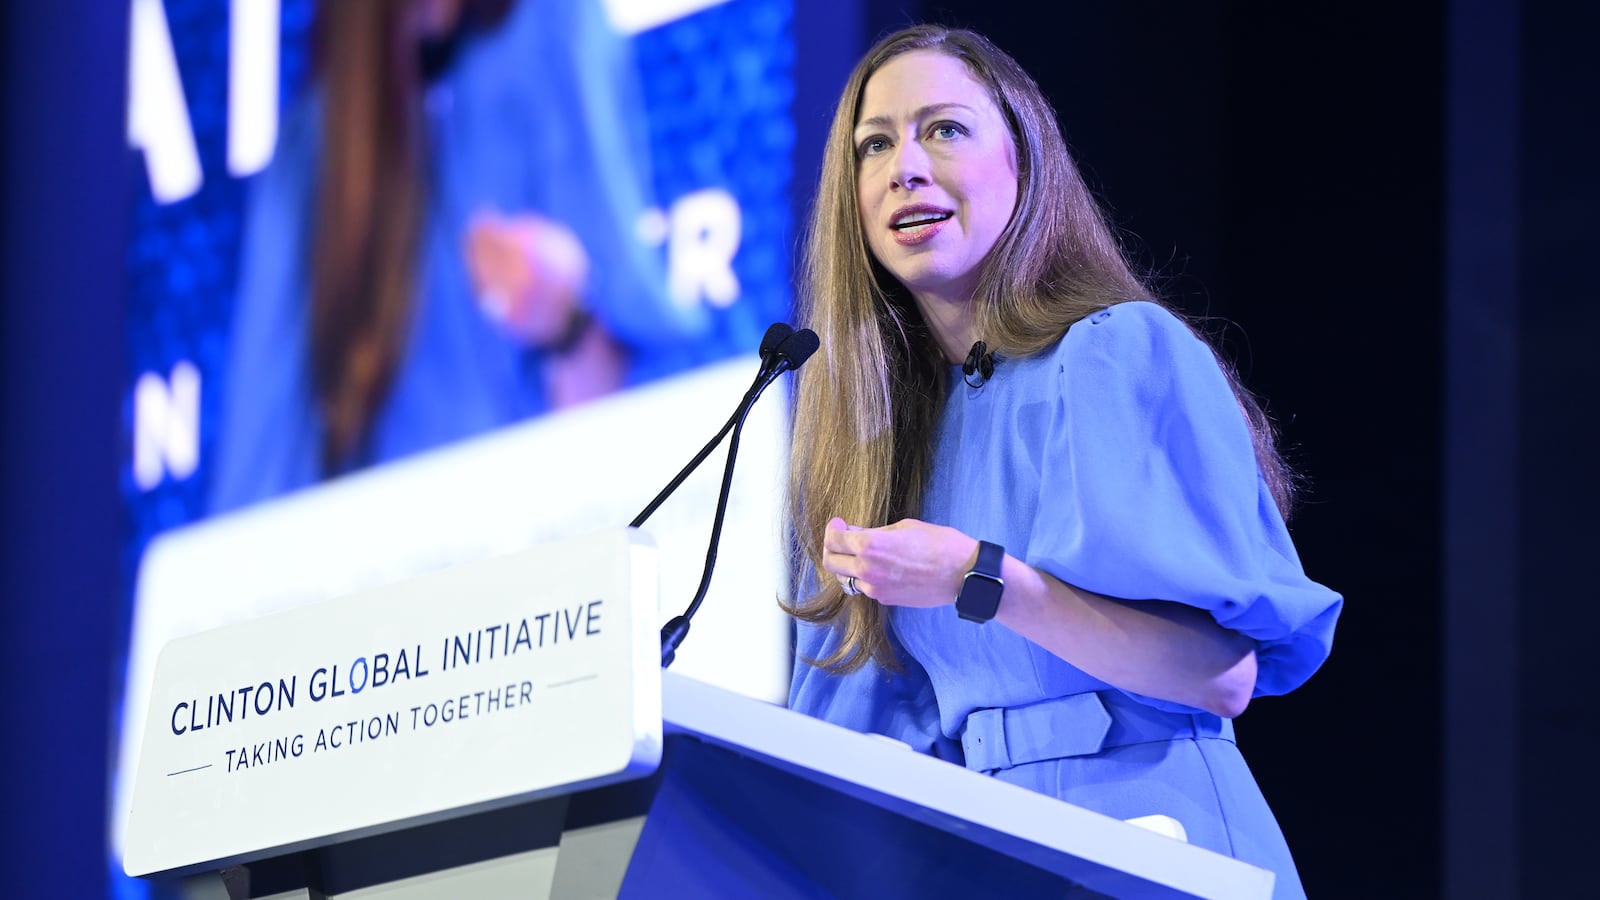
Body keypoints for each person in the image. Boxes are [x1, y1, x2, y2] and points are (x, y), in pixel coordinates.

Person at [784, 25, 1342, 898]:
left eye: (945, 129)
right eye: (876, 144)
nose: (906, 168)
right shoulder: (871, 447)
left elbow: (1217, 675)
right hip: (986, 853)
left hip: (1159, 839)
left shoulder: (1115, 355)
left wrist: (981, 577)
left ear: (1024, 161)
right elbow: (853, 752)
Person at [210, 0, 704, 513]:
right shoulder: (316, 148)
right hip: (389, 563)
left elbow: (638, 428)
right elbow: (258, 474)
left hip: (541, 544)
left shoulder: (551, 32)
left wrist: (565, 318)